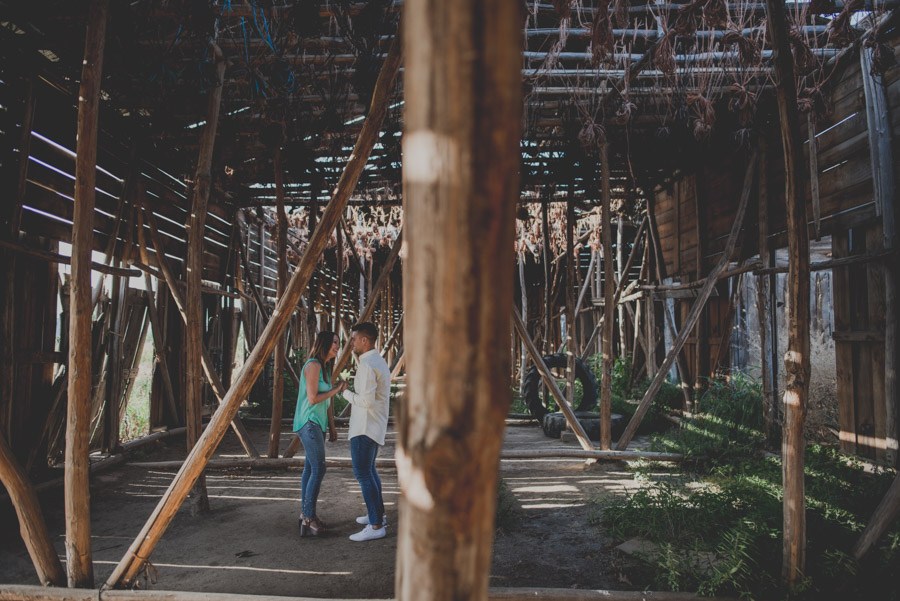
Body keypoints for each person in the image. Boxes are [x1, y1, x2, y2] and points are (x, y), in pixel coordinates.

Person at [342, 321, 391, 542]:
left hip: (365, 426)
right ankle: (377, 514)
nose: (351, 342)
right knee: (369, 471)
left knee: (363, 473)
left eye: (354, 339)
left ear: (364, 340)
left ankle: (376, 525)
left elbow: (366, 401)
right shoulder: (377, 361)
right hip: (374, 425)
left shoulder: (367, 365)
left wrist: (345, 393)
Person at [293, 331, 344, 537]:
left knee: (310, 469)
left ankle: (305, 514)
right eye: (334, 342)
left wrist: (332, 426)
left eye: (338, 343)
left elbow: (327, 402)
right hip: (308, 422)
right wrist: (338, 388)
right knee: (319, 468)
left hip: (318, 424)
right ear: (323, 343)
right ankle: (308, 517)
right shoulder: (313, 365)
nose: (337, 346)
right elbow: (314, 399)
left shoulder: (325, 367)